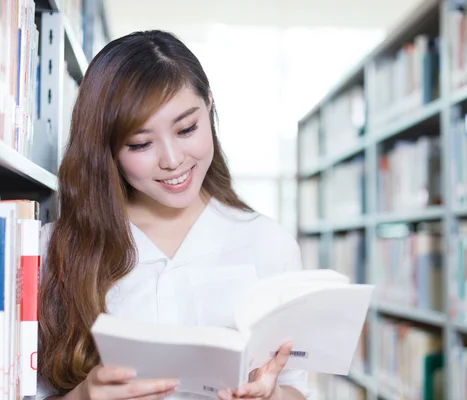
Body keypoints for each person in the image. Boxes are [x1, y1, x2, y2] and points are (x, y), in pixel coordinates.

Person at [37, 29, 310, 400]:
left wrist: (270, 395)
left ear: (209, 105)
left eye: (186, 129)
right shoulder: (53, 248)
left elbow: (296, 386)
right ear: (107, 149)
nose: (172, 159)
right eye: (141, 143)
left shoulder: (269, 243)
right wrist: (83, 396)